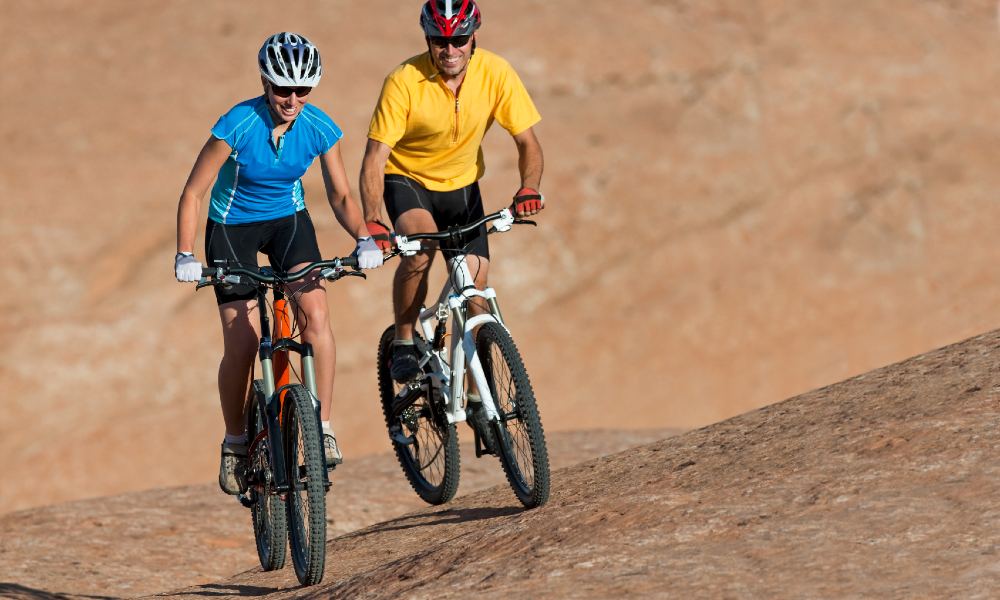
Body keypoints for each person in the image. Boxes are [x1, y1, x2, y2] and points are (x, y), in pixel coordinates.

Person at [174, 32, 383, 495]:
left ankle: (322, 428)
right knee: (243, 341)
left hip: (288, 223)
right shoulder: (238, 123)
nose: (292, 99)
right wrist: (185, 252)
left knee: (317, 318)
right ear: (265, 83)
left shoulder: (320, 127)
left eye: (302, 90)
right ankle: (234, 443)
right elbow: (193, 192)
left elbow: (342, 194)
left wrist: (364, 237)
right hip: (232, 229)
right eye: (282, 89)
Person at [360, 0, 545, 384]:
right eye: (439, 40)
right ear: (428, 39)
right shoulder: (404, 80)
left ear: (473, 35)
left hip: (462, 188)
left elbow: (527, 141)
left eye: (458, 39)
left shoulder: (496, 72)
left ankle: (481, 393)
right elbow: (376, 156)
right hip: (408, 180)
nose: (450, 49)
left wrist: (529, 187)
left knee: (476, 295)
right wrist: (374, 220)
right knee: (422, 248)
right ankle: (405, 340)